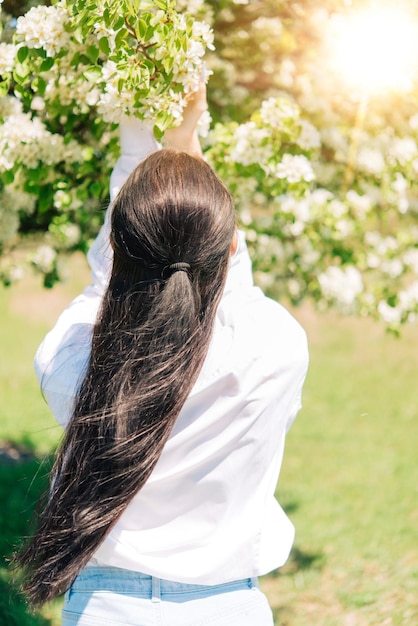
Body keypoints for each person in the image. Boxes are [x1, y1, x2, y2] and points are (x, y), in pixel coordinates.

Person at [16, 83, 309, 625]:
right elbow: (228, 270)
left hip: (105, 608)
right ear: (228, 249)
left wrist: (140, 137)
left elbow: (110, 276)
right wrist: (183, 139)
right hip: (231, 610)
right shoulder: (276, 349)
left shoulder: (71, 360)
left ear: (118, 245)